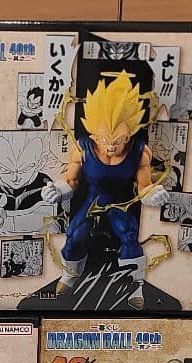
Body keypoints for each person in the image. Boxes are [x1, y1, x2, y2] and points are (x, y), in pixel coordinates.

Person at [41, 71, 170, 309]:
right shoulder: (82, 149)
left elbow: (144, 186)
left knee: (128, 234)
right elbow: (71, 181)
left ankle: (135, 285)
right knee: (74, 233)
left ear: (128, 135)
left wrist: (152, 195)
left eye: (118, 140)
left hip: (121, 201)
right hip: (93, 199)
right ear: (93, 135)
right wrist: (58, 190)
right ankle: (70, 274)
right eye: (104, 140)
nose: (111, 146)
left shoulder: (140, 152)